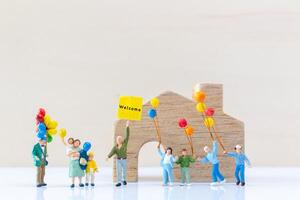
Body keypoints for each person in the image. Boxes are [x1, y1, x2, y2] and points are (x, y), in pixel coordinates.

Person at [107, 121, 130, 187]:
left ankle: (124, 180)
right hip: (119, 160)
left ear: (122, 139)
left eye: (120, 138)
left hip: (124, 160)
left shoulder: (125, 143)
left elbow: (127, 135)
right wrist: (108, 157)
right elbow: (112, 152)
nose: (119, 140)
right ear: (116, 140)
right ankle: (119, 181)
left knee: (124, 170)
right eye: (118, 139)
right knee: (119, 171)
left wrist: (127, 126)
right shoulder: (115, 147)